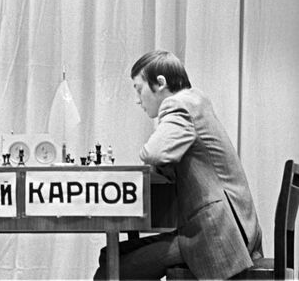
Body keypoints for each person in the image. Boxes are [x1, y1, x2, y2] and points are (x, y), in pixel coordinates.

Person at [94, 50, 263, 280]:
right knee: (109, 255)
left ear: (160, 83)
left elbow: (153, 153)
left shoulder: (180, 104)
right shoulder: (196, 101)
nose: (137, 99)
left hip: (216, 237)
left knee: (111, 270)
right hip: (227, 230)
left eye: (138, 88)